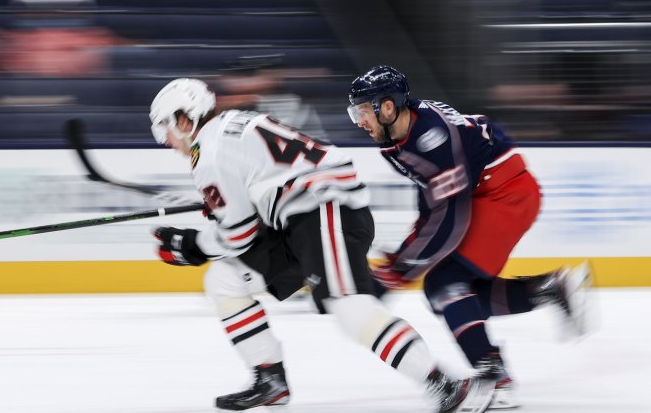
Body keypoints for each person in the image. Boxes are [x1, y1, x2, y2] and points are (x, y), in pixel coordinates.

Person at [148, 78, 494, 412]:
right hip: (305, 217)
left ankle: (446, 386)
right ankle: (270, 379)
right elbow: (254, 199)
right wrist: (213, 223)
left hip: (323, 210)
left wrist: (188, 245)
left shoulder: (207, 152)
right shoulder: (232, 125)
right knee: (224, 279)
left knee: (349, 307)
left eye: (165, 127)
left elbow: (239, 235)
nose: (165, 139)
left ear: (184, 118)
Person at [346, 65, 593, 409]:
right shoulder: (399, 135)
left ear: (387, 107)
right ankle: (546, 290)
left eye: (362, 110)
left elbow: (448, 218)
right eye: (353, 111)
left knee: (446, 284)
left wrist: (400, 270)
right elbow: (433, 200)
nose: (358, 120)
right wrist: (406, 259)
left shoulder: (431, 139)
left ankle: (496, 378)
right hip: (490, 191)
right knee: (448, 293)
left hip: (505, 193)